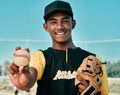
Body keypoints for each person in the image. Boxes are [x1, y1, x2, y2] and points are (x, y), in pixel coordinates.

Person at [8, 1, 109, 95]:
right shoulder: (40, 57)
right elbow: (30, 78)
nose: (59, 26)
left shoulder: (94, 59)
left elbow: (104, 93)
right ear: (45, 27)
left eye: (65, 21)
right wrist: (23, 80)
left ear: (73, 24)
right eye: (53, 22)